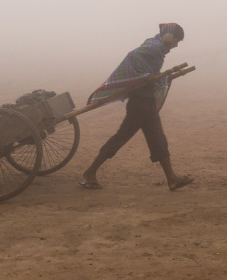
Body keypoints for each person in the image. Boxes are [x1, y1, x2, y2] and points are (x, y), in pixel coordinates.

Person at [79, 23, 194, 192]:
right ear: (169, 37)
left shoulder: (156, 46)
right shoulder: (154, 48)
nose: (176, 45)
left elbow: (148, 71)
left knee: (157, 139)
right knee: (123, 137)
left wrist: (156, 77)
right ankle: (90, 172)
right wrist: (146, 76)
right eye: (177, 41)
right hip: (140, 102)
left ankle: (172, 179)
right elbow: (133, 59)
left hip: (145, 101)